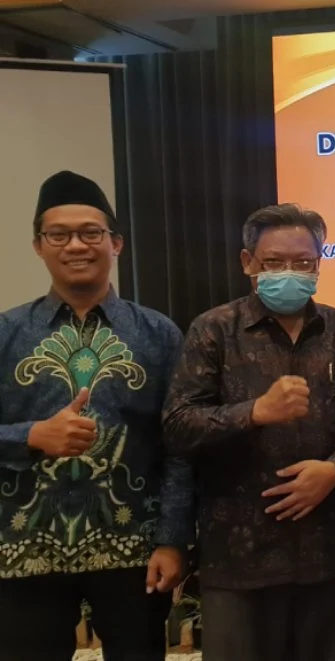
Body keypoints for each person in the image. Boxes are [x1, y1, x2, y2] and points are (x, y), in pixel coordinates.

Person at [162, 203, 335, 661]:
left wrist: (334, 469)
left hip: (331, 554)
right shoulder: (214, 331)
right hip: (239, 559)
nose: (289, 273)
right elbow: (177, 424)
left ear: (318, 264)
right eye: (274, 262)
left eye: (303, 263)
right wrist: (255, 412)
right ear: (248, 262)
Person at [0, 171, 194, 661]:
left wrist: (172, 541)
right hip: (25, 549)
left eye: (90, 233)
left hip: (134, 548)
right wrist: (31, 435)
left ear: (116, 244)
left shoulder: (158, 334)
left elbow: (180, 445)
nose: (75, 245)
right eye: (58, 235)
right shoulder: (6, 333)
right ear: (38, 246)